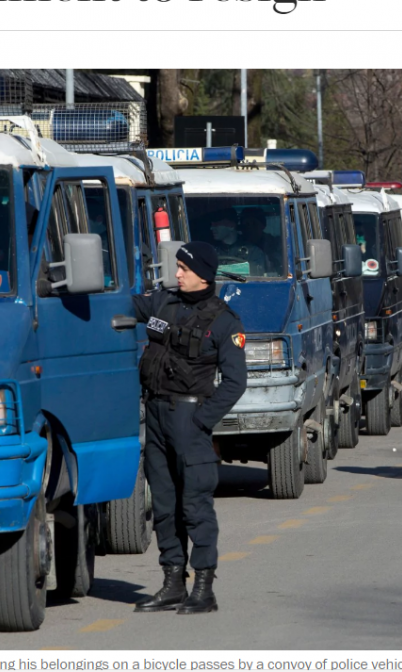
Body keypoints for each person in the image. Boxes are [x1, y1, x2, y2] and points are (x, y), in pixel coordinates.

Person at [132, 241, 247, 614]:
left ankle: (204, 588)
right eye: (177, 266)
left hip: (189, 419)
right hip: (157, 415)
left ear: (203, 275)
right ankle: (172, 583)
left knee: (195, 505)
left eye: (184, 268)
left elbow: (235, 381)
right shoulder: (163, 303)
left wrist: (200, 421)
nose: (177, 273)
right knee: (164, 505)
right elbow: (122, 305)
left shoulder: (224, 321)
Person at [208, 207, 266, 275]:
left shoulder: (253, 252)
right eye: (212, 225)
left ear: (231, 226)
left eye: (216, 224)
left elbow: (257, 279)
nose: (212, 228)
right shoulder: (209, 252)